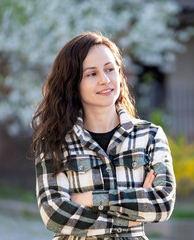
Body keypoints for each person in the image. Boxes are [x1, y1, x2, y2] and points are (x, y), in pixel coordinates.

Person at [31, 31, 176, 240]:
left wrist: (88, 198)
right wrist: (132, 215)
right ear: (73, 83)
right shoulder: (53, 142)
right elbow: (55, 215)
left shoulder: (150, 136)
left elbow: (162, 204)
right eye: (92, 74)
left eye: (110, 69)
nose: (105, 80)